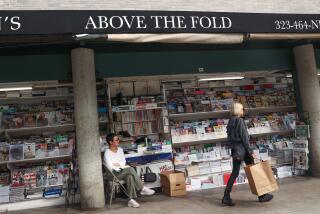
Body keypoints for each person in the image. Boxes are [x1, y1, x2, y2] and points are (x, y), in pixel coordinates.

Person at [222, 102, 273, 206]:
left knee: (234, 173)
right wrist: (250, 151)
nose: (243, 111)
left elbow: (229, 138)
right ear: (238, 110)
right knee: (255, 171)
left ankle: (226, 196)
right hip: (244, 150)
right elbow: (245, 138)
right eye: (242, 109)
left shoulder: (230, 121)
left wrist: (233, 149)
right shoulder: (240, 121)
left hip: (236, 151)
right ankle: (262, 195)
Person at [103, 133, 155, 208]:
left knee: (130, 176)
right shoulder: (107, 152)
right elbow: (110, 166)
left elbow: (123, 161)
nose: (118, 141)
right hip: (112, 174)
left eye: (118, 139)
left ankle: (131, 200)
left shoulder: (120, 150)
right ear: (111, 142)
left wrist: (117, 164)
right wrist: (119, 166)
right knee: (130, 169)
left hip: (121, 171)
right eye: (116, 140)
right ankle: (141, 188)